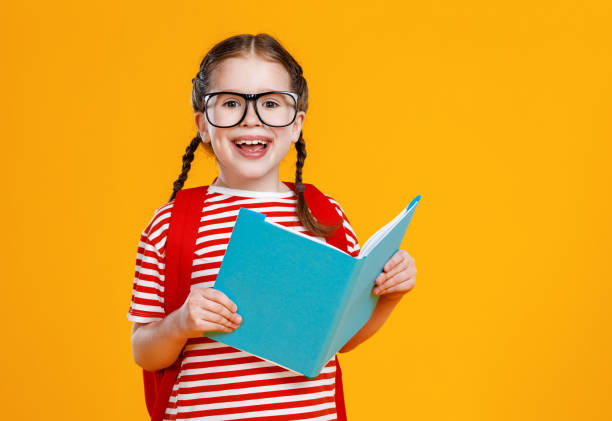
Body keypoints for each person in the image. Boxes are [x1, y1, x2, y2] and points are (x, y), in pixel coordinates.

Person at [127, 33, 418, 420]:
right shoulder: (172, 224)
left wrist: (389, 296)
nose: (251, 118)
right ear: (202, 124)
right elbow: (144, 352)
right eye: (231, 103)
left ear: (296, 124)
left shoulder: (325, 217)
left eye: (270, 103)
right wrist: (181, 322)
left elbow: (340, 340)